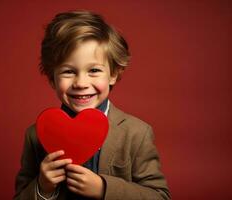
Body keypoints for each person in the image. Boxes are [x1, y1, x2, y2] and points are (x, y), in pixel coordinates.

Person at [14, 10, 171, 200]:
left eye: (94, 70)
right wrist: (43, 187)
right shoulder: (36, 135)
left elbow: (160, 196)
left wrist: (104, 188)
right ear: (52, 79)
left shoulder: (136, 133)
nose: (81, 83)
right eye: (68, 71)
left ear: (113, 74)